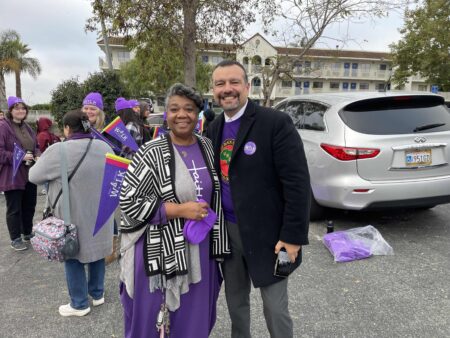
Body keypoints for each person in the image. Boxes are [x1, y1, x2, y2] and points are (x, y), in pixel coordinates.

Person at [207, 60, 310, 338]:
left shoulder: (274, 122)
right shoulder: (213, 129)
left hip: (270, 235)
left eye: (234, 82)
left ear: (247, 86)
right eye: (220, 84)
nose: (227, 89)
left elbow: (298, 184)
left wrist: (293, 236)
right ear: (213, 90)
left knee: (275, 309)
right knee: (235, 304)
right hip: (227, 233)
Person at [119, 83, 230, 338]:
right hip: (159, 254)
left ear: (198, 113)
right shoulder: (150, 152)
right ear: (166, 114)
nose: (182, 115)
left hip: (201, 249)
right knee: (153, 323)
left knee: (195, 321)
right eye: (174, 109)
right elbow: (129, 202)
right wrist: (180, 210)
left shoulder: (207, 146)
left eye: (189, 109)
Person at [29, 109, 114, 317]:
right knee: (96, 252)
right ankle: (97, 293)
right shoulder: (104, 145)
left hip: (73, 212)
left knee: (73, 255)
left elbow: (33, 175)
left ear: (67, 128)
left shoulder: (59, 150)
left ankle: (79, 304)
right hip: (102, 212)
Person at [0, 97, 40, 251]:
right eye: (17, 108)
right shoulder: (3, 126)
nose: (20, 111)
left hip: (30, 172)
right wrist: (19, 156)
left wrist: (37, 154)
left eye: (23, 108)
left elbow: (36, 145)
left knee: (29, 205)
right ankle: (15, 238)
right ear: (10, 111)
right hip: (13, 174)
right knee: (14, 208)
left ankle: (27, 233)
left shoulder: (27, 127)